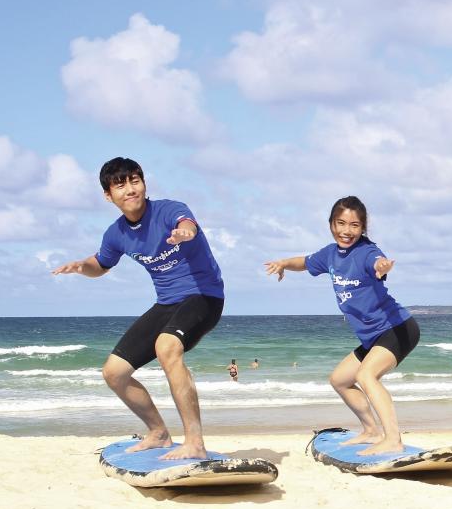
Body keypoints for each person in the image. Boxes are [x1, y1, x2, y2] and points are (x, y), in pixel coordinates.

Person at [51, 157, 224, 460]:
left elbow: (187, 224)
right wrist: (82, 266)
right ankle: (158, 432)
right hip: (167, 303)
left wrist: (185, 232)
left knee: (166, 346)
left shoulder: (169, 210)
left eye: (135, 181)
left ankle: (194, 442)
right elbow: (100, 264)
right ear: (108, 195)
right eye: (120, 184)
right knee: (114, 373)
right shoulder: (116, 234)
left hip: (204, 295)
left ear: (144, 183)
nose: (130, 189)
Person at [264, 196, 419, 455]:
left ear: (363, 228)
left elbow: (377, 262)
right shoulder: (330, 255)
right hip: (373, 337)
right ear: (331, 225)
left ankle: (393, 438)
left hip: (397, 328)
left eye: (355, 225)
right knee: (340, 380)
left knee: (366, 376)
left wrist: (382, 267)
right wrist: (284, 264)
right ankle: (371, 431)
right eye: (341, 223)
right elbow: (305, 261)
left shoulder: (367, 252)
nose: (347, 231)